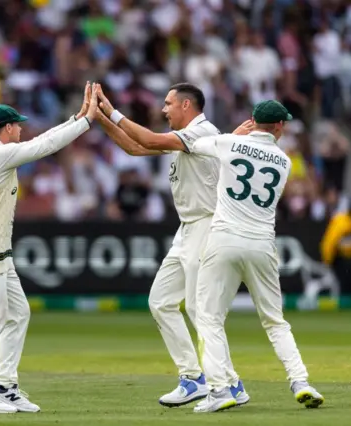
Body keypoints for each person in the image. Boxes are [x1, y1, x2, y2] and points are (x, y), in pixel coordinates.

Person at [94, 82, 249, 407]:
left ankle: (230, 385)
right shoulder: (183, 138)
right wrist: (99, 118)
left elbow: (148, 139)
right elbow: (136, 148)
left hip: (207, 226)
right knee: (161, 301)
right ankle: (193, 378)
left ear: (186, 106)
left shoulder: (201, 132)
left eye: (168, 103)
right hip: (187, 229)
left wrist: (112, 110)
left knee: (198, 309)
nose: (163, 109)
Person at [0, 83, 99, 414]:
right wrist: (85, 121)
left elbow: (40, 140)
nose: (21, 129)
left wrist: (77, 115)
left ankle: (5, 385)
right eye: (17, 124)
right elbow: (43, 146)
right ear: (6, 129)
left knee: (18, 313)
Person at [188, 100, 324, 413]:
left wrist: (233, 134)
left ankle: (220, 389)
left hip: (224, 240)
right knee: (275, 321)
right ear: (278, 127)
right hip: (262, 244)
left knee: (209, 318)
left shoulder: (229, 142)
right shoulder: (284, 161)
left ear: (252, 121)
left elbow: (193, 146)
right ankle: (300, 381)